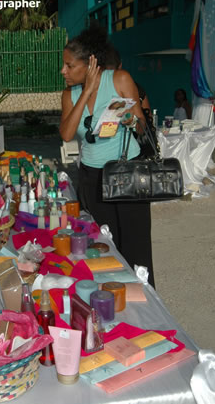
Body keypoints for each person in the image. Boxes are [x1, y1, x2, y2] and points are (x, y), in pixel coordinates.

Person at [59, 24, 156, 288]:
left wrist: (129, 119)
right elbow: (67, 134)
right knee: (102, 247)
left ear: (91, 63)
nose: (63, 71)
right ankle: (110, 304)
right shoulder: (70, 94)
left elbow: (141, 126)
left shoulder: (121, 79)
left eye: (69, 66)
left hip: (126, 172)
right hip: (92, 177)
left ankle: (145, 306)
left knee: (135, 246)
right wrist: (87, 92)